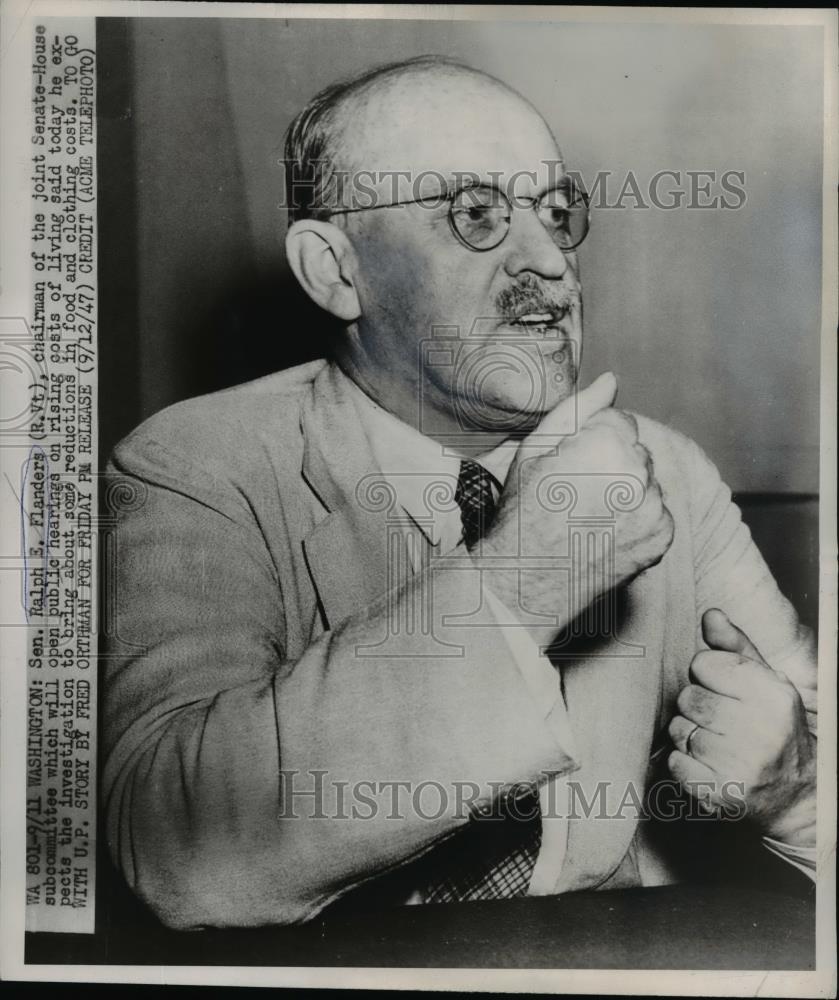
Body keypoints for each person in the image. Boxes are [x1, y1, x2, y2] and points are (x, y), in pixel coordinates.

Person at [103, 56, 817, 930]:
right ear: (334, 270)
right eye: (475, 215)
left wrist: (792, 783)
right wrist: (521, 580)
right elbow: (172, 853)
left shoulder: (662, 471)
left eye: (557, 213)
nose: (550, 262)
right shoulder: (195, 464)